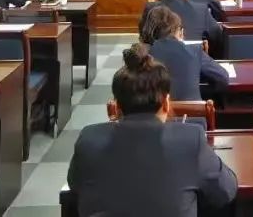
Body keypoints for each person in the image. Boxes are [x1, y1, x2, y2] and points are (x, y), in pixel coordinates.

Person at [67, 43, 238, 217]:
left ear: (116, 107)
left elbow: (74, 185)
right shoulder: (191, 140)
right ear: (166, 103)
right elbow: (225, 191)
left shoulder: (88, 140)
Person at [141, 6, 228, 101]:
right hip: (191, 110)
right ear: (179, 32)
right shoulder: (194, 52)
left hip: (151, 109)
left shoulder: (140, 55)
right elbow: (222, 78)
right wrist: (198, 88)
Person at [138, 0, 222, 47]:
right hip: (194, 57)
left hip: (156, 58)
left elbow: (144, 37)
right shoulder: (201, 9)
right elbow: (217, 35)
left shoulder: (151, 8)